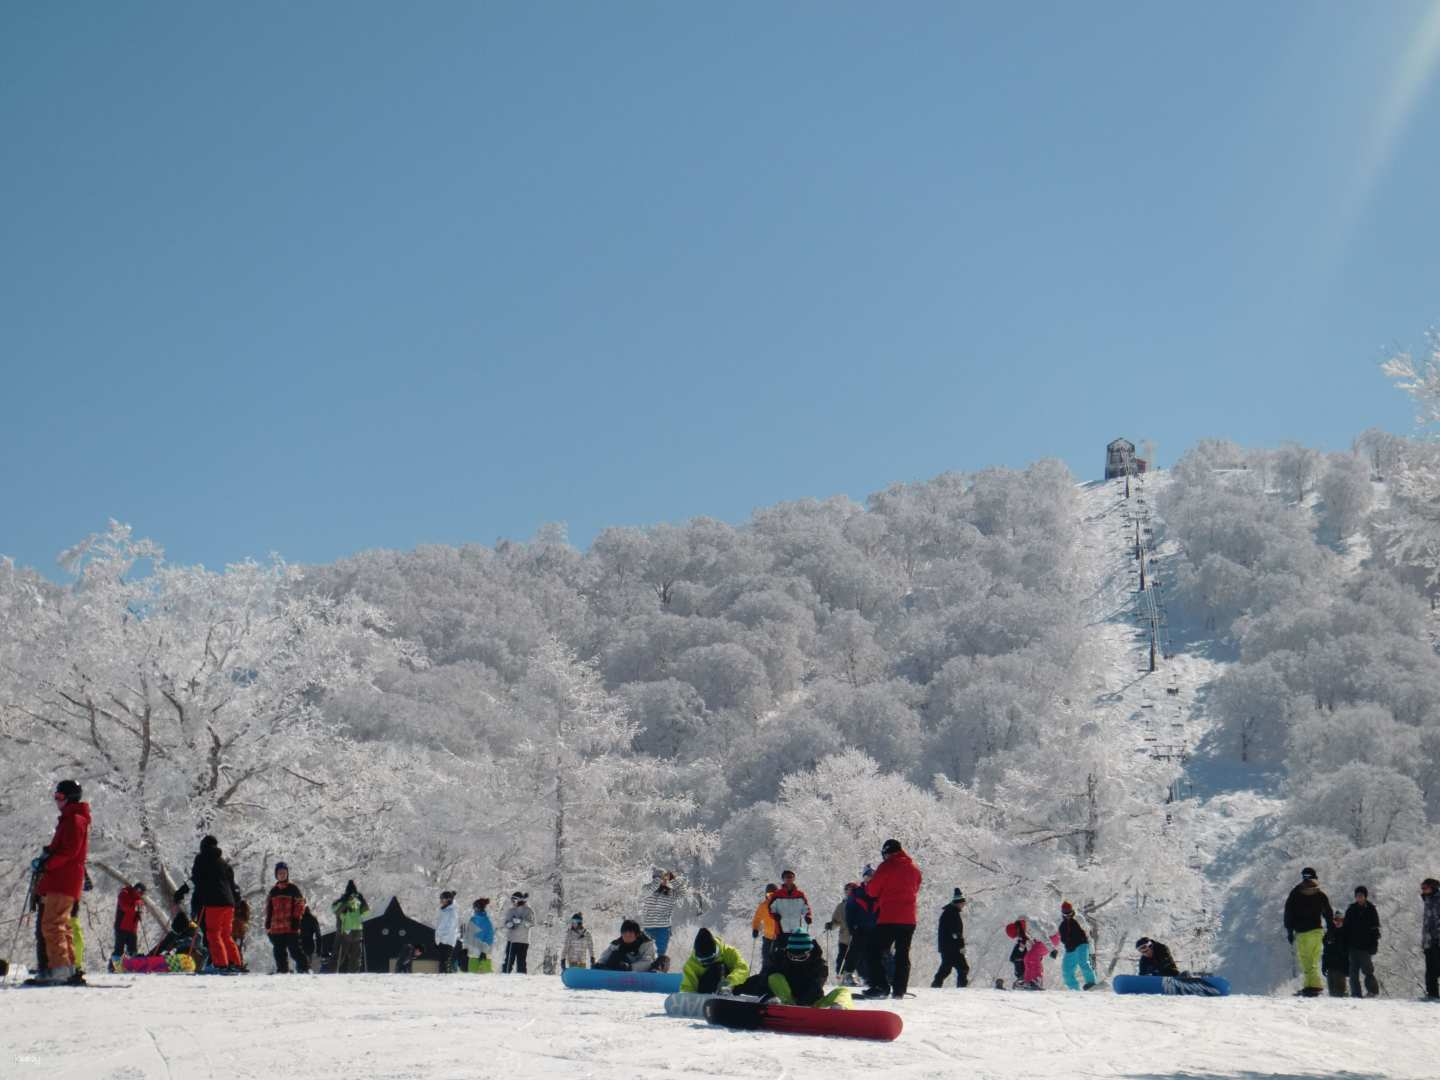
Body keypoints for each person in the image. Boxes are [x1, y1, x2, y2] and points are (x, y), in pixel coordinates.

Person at [30, 779, 92, 984]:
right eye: (55, 797)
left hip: (63, 879)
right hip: (63, 878)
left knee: (52, 924)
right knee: (60, 924)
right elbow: (64, 848)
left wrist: (47, 863)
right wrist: (47, 854)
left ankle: (60, 969)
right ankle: (68, 968)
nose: (57, 801)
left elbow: (69, 851)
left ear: (70, 798)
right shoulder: (71, 818)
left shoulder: (74, 819)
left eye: (60, 797)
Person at [859, 839, 922, 999]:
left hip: (889, 917)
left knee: (873, 950)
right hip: (909, 919)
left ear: (886, 852)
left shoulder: (887, 866)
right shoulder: (914, 868)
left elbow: (872, 891)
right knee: (902, 954)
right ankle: (899, 990)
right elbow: (916, 887)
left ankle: (880, 986)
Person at [747, 929, 851, 1008]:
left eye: (801, 957)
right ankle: (786, 1004)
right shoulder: (780, 960)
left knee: (843, 991)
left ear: (809, 953)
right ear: (787, 952)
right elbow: (763, 978)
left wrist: (801, 1004)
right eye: (793, 956)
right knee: (774, 977)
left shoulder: (819, 965)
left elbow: (815, 988)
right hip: (786, 1000)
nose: (796, 960)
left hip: (812, 1004)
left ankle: (840, 1008)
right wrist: (739, 987)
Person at [190, 834, 243, 974]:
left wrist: (197, 902)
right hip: (229, 903)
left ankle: (221, 964)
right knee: (226, 934)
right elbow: (232, 884)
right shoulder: (223, 862)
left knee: (214, 934)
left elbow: (196, 879)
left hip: (213, 903)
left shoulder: (201, 859)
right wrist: (236, 901)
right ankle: (236, 963)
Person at [1284, 867, 1334, 998]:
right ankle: (1311, 986)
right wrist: (1330, 930)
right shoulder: (1320, 893)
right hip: (1316, 931)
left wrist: (1289, 930)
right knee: (1313, 959)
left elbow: (1288, 912)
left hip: (1302, 932)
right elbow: (1328, 913)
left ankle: (1313, 986)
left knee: (1305, 959)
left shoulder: (1295, 893)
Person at [265, 862, 309, 974]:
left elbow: (300, 904)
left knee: (295, 950)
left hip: (290, 926)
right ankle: (282, 970)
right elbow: (269, 908)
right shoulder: (273, 891)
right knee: (278, 950)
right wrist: (268, 923)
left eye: (284, 873)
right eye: (280, 873)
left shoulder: (293, 888)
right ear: (276, 875)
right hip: (276, 927)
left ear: (287, 874)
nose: (282, 875)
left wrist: (296, 919)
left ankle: (304, 968)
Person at [679, 927, 749, 994]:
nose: (707, 963)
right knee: (715, 969)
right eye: (703, 961)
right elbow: (688, 987)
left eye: (710, 960)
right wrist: (688, 999)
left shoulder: (728, 952)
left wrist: (730, 980)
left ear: (716, 952)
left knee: (719, 967)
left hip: (731, 987)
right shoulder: (691, 964)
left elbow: (743, 968)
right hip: (706, 991)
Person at [1342, 885, 1380, 998]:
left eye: (1361, 895)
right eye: (1357, 896)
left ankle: (1372, 991)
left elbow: (1375, 929)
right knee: (1353, 973)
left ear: (1365, 896)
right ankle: (1356, 994)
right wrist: (1345, 944)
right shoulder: (1351, 909)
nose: (1359, 898)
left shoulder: (1371, 909)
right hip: (1352, 946)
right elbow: (1346, 928)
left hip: (1366, 946)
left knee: (1368, 970)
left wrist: (1374, 944)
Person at [640, 870, 683, 964]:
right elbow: (647, 891)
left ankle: (658, 969)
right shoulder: (647, 890)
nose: (664, 881)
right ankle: (644, 969)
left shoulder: (671, 893)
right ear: (655, 879)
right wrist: (658, 879)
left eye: (665, 879)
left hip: (664, 929)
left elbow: (682, 893)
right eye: (662, 878)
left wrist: (673, 879)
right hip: (648, 928)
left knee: (660, 954)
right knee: (645, 953)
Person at [931, 888, 968, 988]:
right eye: (963, 903)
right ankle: (961, 989)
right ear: (958, 903)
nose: (964, 905)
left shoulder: (950, 912)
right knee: (961, 968)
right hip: (952, 947)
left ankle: (936, 985)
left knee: (948, 968)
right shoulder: (951, 913)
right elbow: (955, 932)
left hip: (947, 946)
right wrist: (961, 945)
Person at [842, 874, 875, 986]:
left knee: (872, 953)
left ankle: (869, 977)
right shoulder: (857, 893)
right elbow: (849, 912)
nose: (869, 878)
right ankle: (848, 975)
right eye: (867, 876)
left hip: (874, 928)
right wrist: (852, 927)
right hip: (859, 928)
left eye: (872, 876)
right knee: (855, 952)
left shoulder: (878, 890)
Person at [1056, 900, 1097, 990]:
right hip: (1070, 949)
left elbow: (1087, 931)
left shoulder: (1078, 918)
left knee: (1083, 962)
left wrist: (1090, 945)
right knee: (1066, 969)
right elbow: (1062, 939)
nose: (1067, 915)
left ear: (1072, 911)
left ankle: (1091, 982)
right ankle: (1073, 988)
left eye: (1069, 913)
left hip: (1081, 944)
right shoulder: (1062, 925)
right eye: (1065, 913)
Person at [331, 880, 369, 973]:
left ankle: (332, 972)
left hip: (345, 931)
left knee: (340, 954)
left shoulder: (343, 901)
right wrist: (363, 901)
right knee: (355, 956)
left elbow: (335, 910)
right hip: (358, 930)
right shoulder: (359, 901)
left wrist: (344, 902)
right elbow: (366, 912)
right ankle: (354, 974)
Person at [1006, 918, 1052, 989]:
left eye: (1017, 934)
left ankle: (1031, 980)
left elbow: (1037, 942)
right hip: (1033, 955)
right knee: (1015, 958)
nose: (1017, 936)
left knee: (1022, 958)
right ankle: (1024, 979)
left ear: (1017, 930)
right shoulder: (1023, 934)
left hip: (1048, 939)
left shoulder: (1028, 930)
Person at [767, 870, 813, 938]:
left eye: (791, 877)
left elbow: (806, 908)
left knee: (795, 948)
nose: (789, 879)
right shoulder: (777, 894)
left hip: (796, 930)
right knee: (782, 948)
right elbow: (771, 909)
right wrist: (774, 915)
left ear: (794, 879)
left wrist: (808, 916)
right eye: (787, 877)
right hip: (781, 930)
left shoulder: (800, 894)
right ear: (783, 879)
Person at [824, 883, 855, 976]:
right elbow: (836, 921)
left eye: (851, 890)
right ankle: (841, 975)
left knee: (855, 957)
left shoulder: (860, 904)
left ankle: (852, 975)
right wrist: (831, 925)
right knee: (841, 957)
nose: (849, 892)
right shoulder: (841, 906)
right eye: (847, 890)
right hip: (844, 937)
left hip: (857, 937)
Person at [113, 882, 146, 963]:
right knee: (119, 949)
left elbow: (140, 911)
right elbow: (125, 907)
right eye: (140, 891)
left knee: (132, 950)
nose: (140, 894)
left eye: (142, 893)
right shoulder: (125, 893)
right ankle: (114, 967)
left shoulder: (139, 900)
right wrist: (136, 905)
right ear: (136, 889)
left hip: (132, 929)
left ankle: (132, 964)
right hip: (121, 926)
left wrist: (139, 913)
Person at [502, 892, 534, 974]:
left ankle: (522, 979)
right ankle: (504, 976)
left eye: (513, 900)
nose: (512, 902)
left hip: (523, 941)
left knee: (521, 962)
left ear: (518, 900)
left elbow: (531, 923)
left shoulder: (528, 911)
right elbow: (506, 922)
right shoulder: (511, 911)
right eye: (512, 901)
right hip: (512, 940)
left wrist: (521, 921)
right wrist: (509, 924)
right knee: (508, 961)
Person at [751, 883, 780, 966]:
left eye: (773, 894)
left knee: (779, 961)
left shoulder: (781, 905)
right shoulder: (763, 906)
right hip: (768, 938)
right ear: (766, 895)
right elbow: (757, 918)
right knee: (766, 961)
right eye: (769, 894)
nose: (771, 896)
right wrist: (755, 929)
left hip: (779, 938)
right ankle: (765, 976)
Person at [1422, 877, 1440, 1000]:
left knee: (1436, 967)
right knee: (1430, 969)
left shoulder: (1438, 900)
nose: (1423, 890)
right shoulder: (1427, 900)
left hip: (1437, 939)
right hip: (1428, 940)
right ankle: (1432, 994)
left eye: (1425, 888)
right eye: (1422, 888)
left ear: (1432, 887)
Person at [1322, 913, 1349, 997]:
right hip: (1330, 967)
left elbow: (1349, 953)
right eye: (1336, 920)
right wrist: (1324, 965)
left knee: (1340, 993)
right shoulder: (1329, 934)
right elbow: (1325, 951)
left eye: (1340, 920)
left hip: (1341, 967)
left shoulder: (1347, 933)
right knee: (1332, 993)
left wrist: (1348, 968)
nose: (1338, 922)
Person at [466, 898, 495, 973]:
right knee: (474, 979)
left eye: (474, 907)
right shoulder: (473, 920)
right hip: (474, 954)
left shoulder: (485, 921)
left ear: (477, 908)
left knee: (485, 979)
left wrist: (484, 951)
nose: (473, 909)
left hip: (482, 955)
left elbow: (489, 938)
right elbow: (469, 936)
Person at [435, 891, 460, 973]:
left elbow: (450, 927)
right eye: (441, 899)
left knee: (445, 962)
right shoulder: (444, 910)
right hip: (442, 940)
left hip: (447, 940)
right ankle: (443, 979)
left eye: (443, 899)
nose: (441, 901)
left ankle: (446, 979)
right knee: (442, 961)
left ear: (448, 900)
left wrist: (442, 939)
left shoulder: (451, 912)